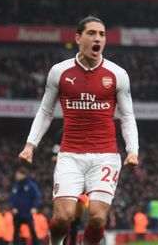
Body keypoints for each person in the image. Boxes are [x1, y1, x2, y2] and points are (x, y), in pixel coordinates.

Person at [17, 16, 140, 245]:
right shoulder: (59, 72)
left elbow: (127, 116)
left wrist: (132, 150)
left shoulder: (117, 74)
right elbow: (45, 111)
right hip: (70, 155)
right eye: (92, 33)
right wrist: (30, 145)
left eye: (102, 34)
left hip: (105, 155)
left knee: (96, 217)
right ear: (78, 38)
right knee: (63, 218)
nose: (98, 39)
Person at [10, 167, 41, 245]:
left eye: (18, 174)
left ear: (23, 175)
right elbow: (12, 198)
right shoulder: (15, 186)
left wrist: (34, 207)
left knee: (32, 231)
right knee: (16, 232)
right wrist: (13, 207)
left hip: (28, 212)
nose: (16, 176)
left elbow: (36, 196)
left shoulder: (31, 185)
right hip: (18, 213)